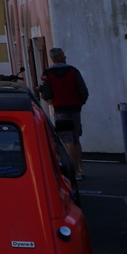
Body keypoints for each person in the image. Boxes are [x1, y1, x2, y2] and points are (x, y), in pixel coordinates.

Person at [39, 48, 90, 179]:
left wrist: (47, 97)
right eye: (63, 55)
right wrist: (80, 102)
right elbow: (83, 90)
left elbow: (47, 93)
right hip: (75, 107)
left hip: (60, 108)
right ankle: (79, 169)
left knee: (67, 139)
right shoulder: (73, 71)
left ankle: (72, 171)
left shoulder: (47, 74)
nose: (65, 56)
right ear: (60, 57)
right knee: (76, 138)